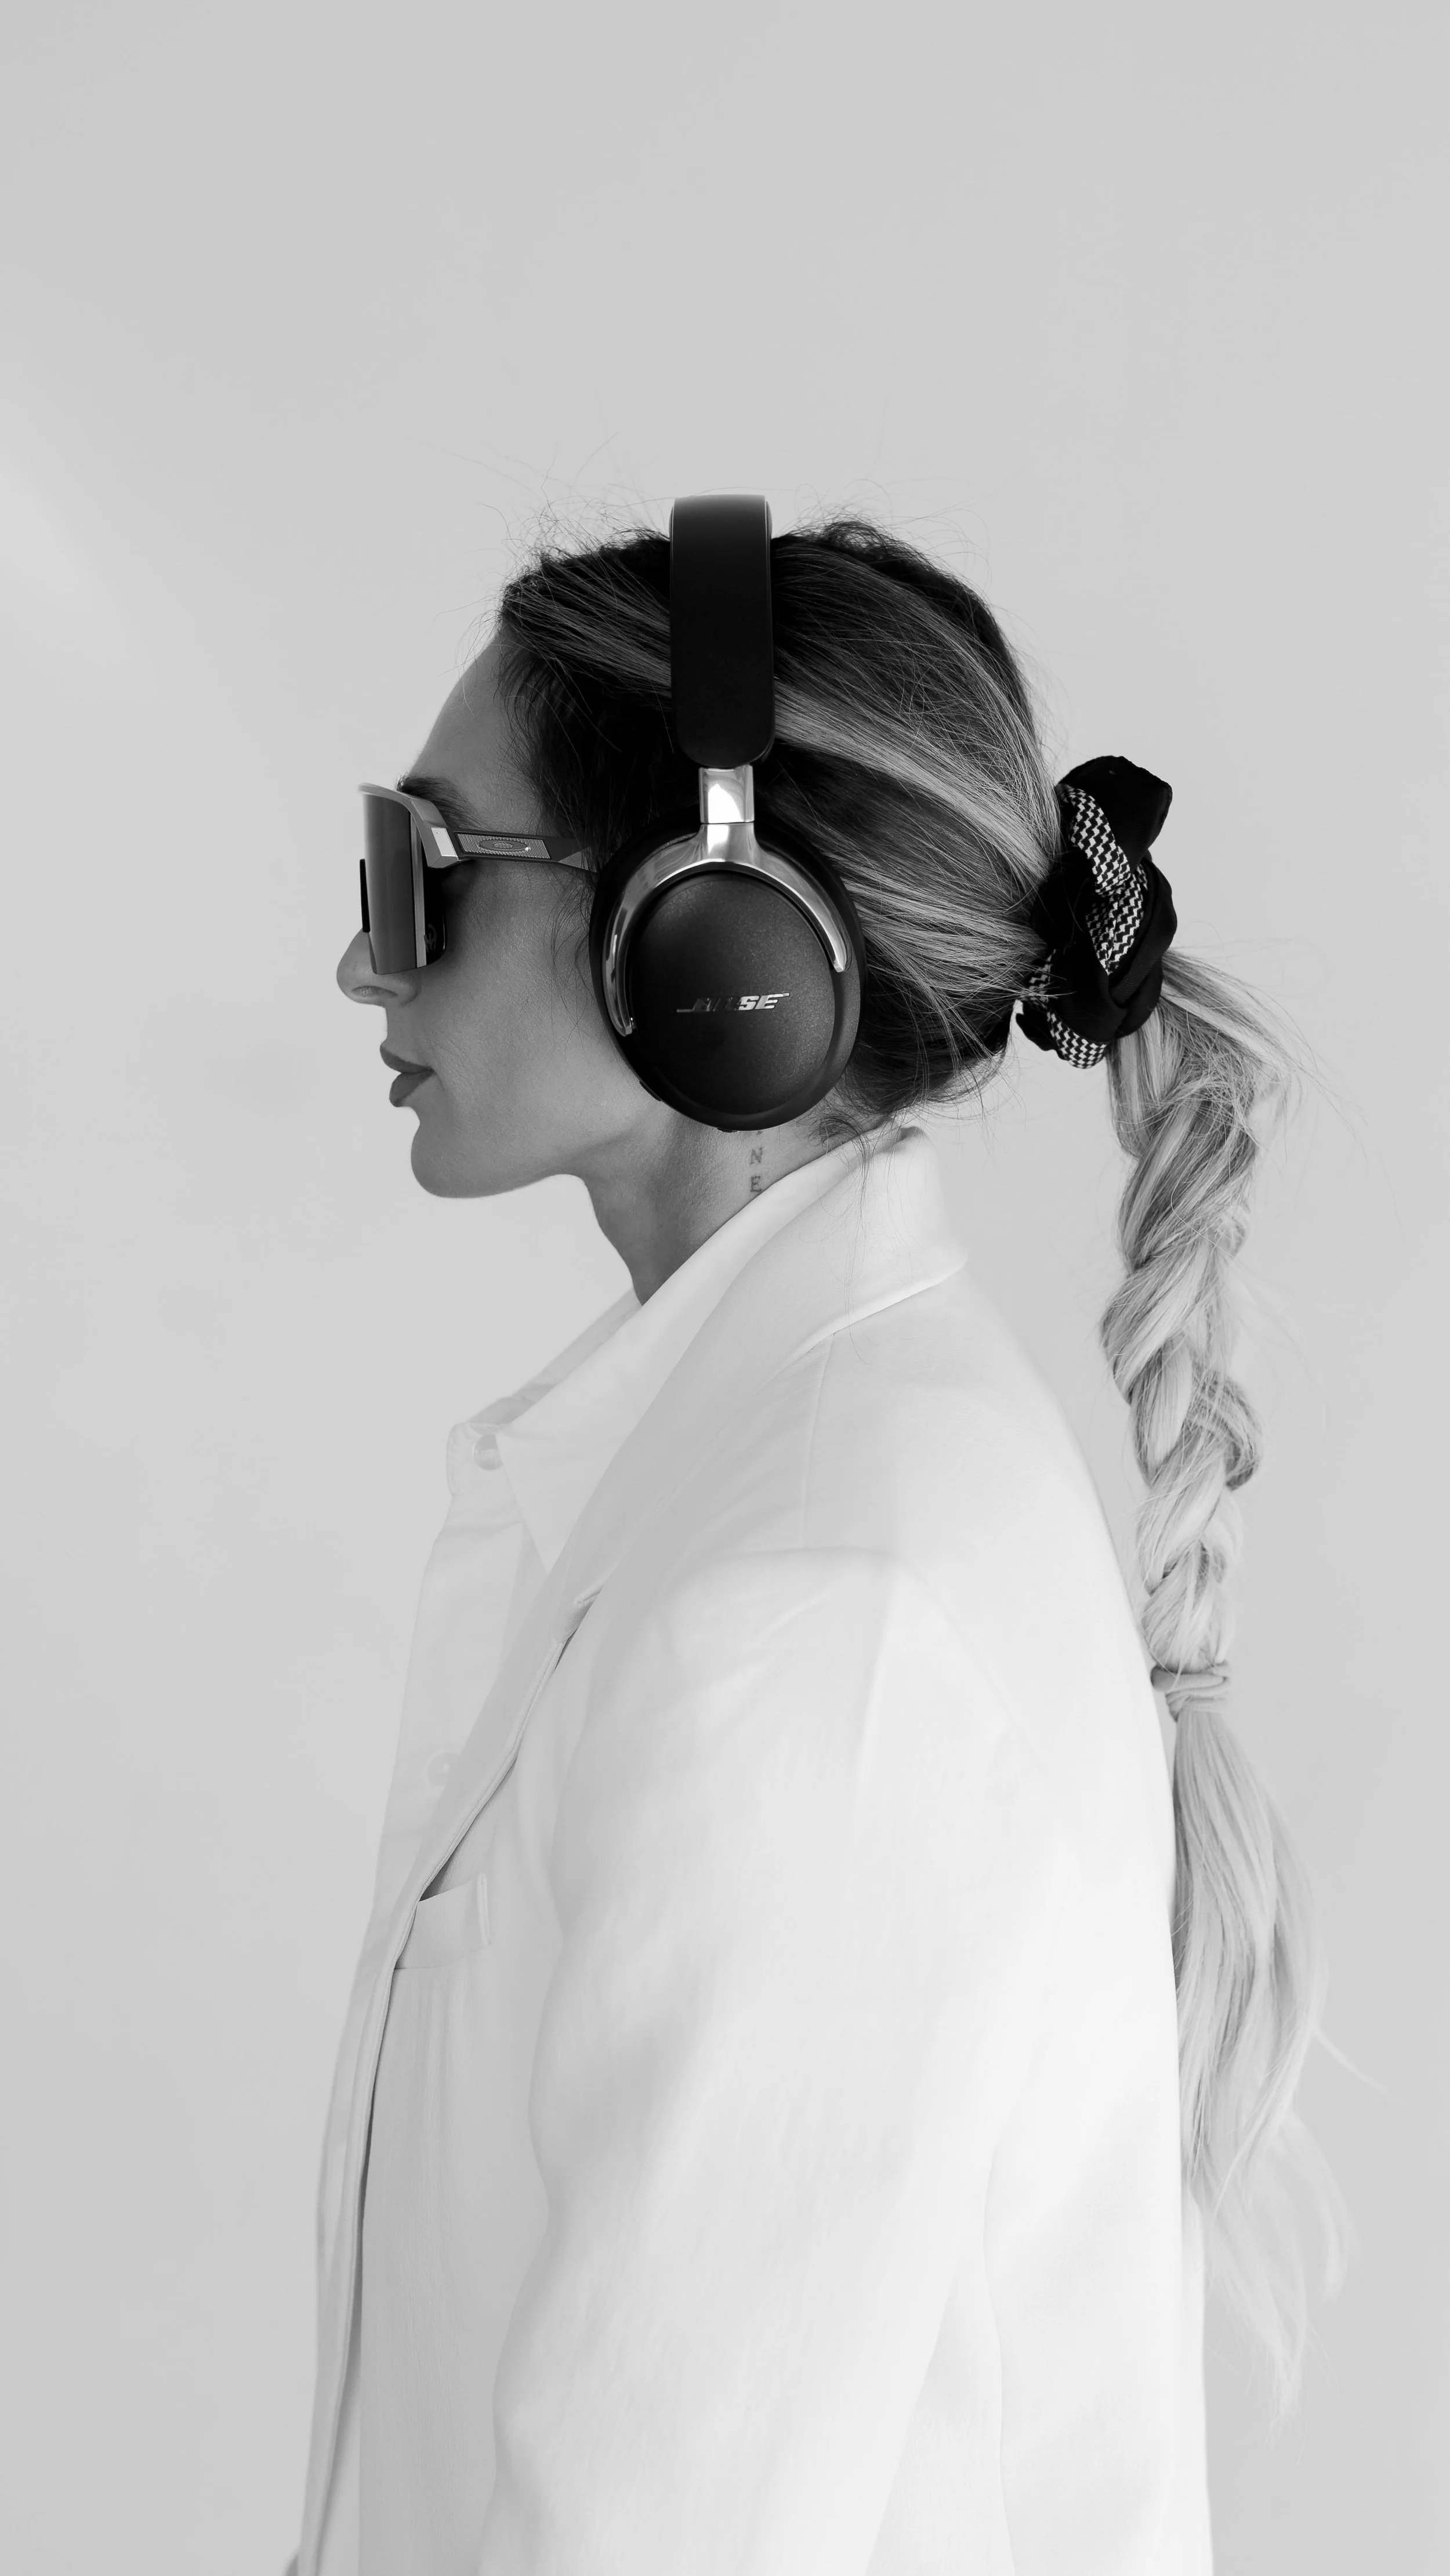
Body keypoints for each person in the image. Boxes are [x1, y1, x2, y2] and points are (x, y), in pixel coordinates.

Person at [302, 509, 1345, 2576]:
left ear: (707, 934)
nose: (361, 958)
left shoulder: (815, 1612)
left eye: (425, 872)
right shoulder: (767, 1490)